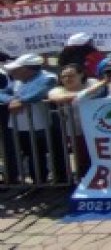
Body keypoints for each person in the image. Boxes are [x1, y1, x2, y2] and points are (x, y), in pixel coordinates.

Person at [0, 54, 66, 184]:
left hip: (42, 123)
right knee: (31, 153)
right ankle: (37, 181)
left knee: (47, 152)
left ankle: (55, 179)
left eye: (16, 69)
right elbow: (2, 93)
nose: (12, 72)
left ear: (26, 69)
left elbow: (39, 93)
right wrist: (13, 100)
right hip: (20, 125)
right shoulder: (17, 81)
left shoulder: (48, 77)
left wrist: (22, 101)